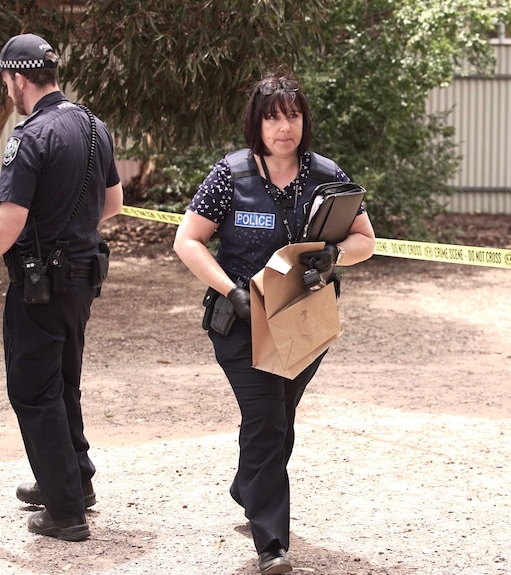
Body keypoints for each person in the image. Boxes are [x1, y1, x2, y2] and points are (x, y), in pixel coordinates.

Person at [173, 71, 375, 574]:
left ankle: (247, 487)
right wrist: (231, 291)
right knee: (266, 420)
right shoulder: (230, 175)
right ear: (256, 123)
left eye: (292, 116)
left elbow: (365, 240)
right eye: (272, 117)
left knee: (277, 421)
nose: (284, 127)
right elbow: (188, 240)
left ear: (304, 121)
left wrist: (334, 256)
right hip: (240, 320)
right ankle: (272, 545)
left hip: (305, 323)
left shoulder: (327, 174)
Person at [0, 33, 123, 541]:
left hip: (39, 284)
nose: (7, 87)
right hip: (81, 278)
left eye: (5, 79)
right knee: (63, 379)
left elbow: (9, 220)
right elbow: (112, 203)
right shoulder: (96, 128)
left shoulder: (30, 136)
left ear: (18, 78)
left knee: (32, 388)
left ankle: (65, 510)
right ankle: (75, 480)